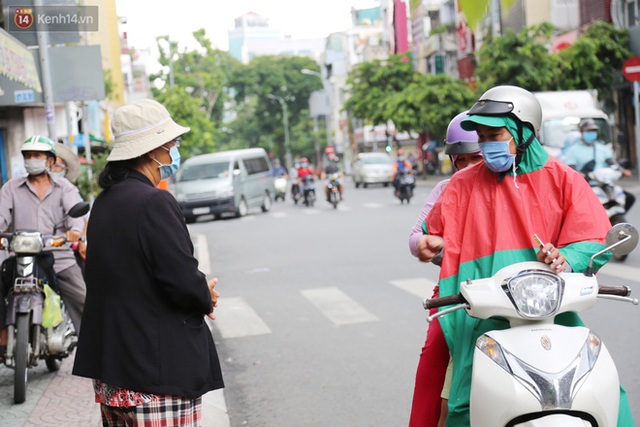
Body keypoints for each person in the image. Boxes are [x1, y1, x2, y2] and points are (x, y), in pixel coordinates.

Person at [419, 85, 634, 426]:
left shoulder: (565, 180)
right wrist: (429, 244)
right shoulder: (462, 185)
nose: (487, 144)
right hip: (481, 314)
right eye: (483, 136)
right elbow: (435, 232)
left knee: (604, 390)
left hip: (550, 309)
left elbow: (593, 237)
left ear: (522, 132)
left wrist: (567, 258)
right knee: (464, 401)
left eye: (496, 135)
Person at [72, 99, 224, 426]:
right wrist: (204, 294)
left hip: (115, 370)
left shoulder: (105, 203)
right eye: (172, 144)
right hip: (154, 371)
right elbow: (181, 278)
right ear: (152, 151)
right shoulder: (154, 202)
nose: (174, 151)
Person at [407, 111, 484, 427]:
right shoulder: (445, 189)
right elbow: (416, 237)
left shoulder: (519, 185)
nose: (468, 167)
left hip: (516, 290)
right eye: (461, 160)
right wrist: (428, 242)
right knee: (435, 354)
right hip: (459, 288)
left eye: (476, 157)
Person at [0, 136, 86, 334]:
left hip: (59, 258)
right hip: (21, 258)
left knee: (84, 301)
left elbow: (75, 212)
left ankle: (93, 348)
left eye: (36, 155)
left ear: (50, 161)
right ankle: (3, 333)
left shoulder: (65, 188)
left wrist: (74, 232)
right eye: (27, 156)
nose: (31, 159)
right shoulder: (11, 188)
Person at [563, 118, 635, 212]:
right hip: (587, 186)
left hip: (604, 184)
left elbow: (612, 163)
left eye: (594, 131)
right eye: (589, 131)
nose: (592, 133)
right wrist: (581, 175)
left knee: (629, 198)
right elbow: (571, 170)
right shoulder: (573, 151)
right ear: (581, 132)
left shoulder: (602, 148)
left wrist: (622, 171)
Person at [52, 143, 87, 268]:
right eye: (49, 165)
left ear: (65, 170)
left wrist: (80, 238)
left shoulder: (69, 190)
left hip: (65, 249)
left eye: (56, 166)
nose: (52, 169)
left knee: (78, 286)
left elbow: (83, 217)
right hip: (36, 249)